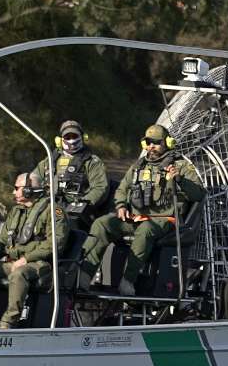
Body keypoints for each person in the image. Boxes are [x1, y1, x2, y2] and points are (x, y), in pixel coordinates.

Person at [78, 124, 204, 296]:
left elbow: (198, 194)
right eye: (148, 142)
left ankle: (128, 280)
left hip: (165, 220)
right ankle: (84, 276)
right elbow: (122, 188)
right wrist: (121, 206)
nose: (151, 146)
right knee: (102, 224)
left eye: (156, 142)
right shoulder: (139, 166)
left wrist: (180, 179)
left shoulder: (180, 166)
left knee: (146, 230)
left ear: (167, 143)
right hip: (138, 218)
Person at [0, 172, 68, 329]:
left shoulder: (54, 211)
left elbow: (55, 243)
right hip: (13, 261)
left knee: (19, 274)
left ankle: (7, 324)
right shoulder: (16, 211)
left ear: (28, 190)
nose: (13, 192)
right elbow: (3, 239)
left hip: (39, 264)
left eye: (17, 188)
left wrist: (26, 259)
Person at [32, 120, 108, 229]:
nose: (71, 140)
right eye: (67, 137)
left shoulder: (92, 162)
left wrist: (82, 203)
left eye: (74, 136)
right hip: (50, 205)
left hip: (78, 211)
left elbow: (100, 188)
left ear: (83, 138)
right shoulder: (50, 159)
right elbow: (35, 177)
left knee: (64, 225)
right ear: (59, 140)